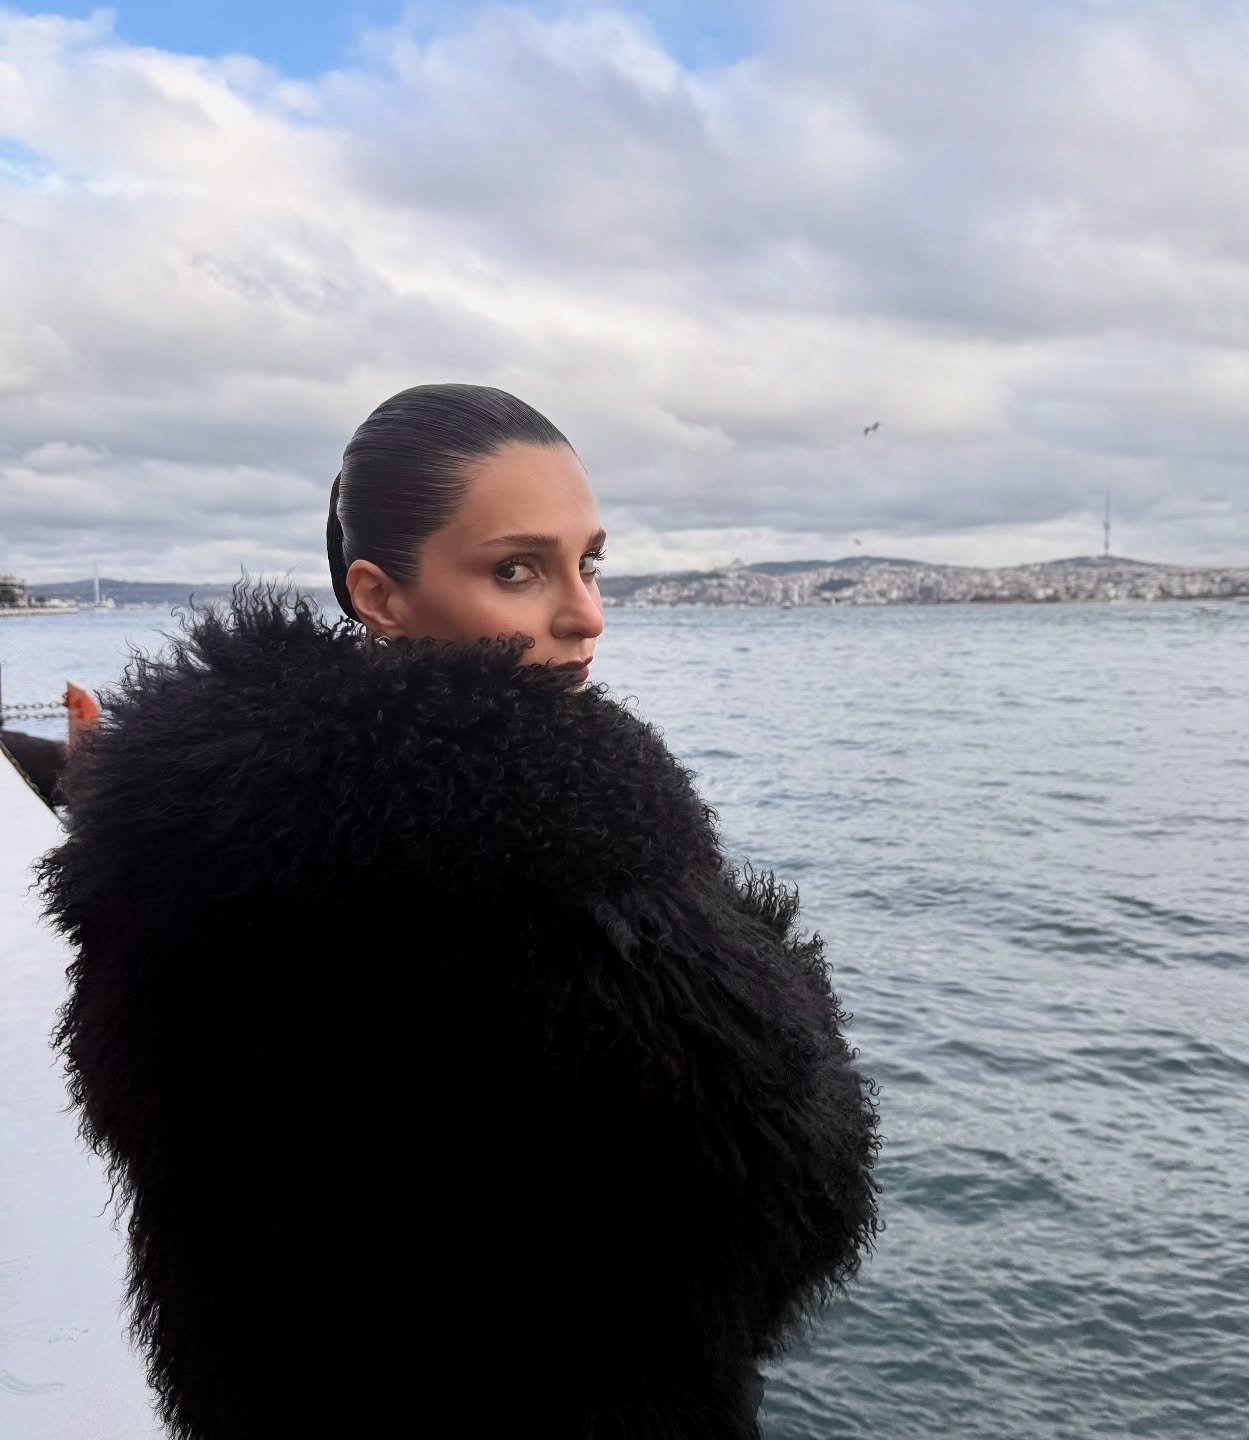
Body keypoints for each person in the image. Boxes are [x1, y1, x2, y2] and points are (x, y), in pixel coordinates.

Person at [40, 384, 881, 1439]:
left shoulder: (182, 843)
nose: (585, 613)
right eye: (517, 570)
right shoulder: (563, 872)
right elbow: (791, 1196)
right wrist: (757, 952)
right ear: (379, 595)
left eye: (589, 563)